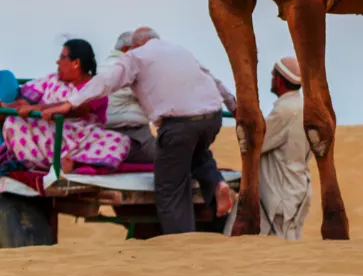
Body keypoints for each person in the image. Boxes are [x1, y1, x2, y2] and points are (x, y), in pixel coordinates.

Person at [42, 26, 235, 234]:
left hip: (178, 125)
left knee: (170, 188)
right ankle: (216, 184)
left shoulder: (134, 57)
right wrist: (235, 108)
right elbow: (214, 80)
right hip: (212, 118)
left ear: (134, 45)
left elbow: (105, 83)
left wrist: (70, 103)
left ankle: (181, 241)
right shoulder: (179, 51)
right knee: (196, 154)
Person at [0, 39, 130, 174]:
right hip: (45, 138)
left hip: (81, 140)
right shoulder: (51, 80)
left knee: (119, 141)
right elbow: (22, 104)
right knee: (13, 122)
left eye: (62, 57)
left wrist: (38, 109)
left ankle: (70, 163)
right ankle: (42, 165)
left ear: (76, 63)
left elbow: (76, 109)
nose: (58, 62)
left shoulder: (96, 87)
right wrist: (6, 106)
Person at [226, 56, 312, 240]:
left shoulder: (284, 112)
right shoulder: (303, 107)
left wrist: (246, 124)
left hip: (280, 195)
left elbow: (256, 143)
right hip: (297, 189)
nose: (271, 79)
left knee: (277, 253)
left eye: (273, 75)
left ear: (280, 80)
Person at [100, 31, 156, 164]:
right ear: (126, 49)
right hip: (132, 133)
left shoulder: (101, 66)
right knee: (171, 157)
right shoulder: (128, 68)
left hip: (104, 132)